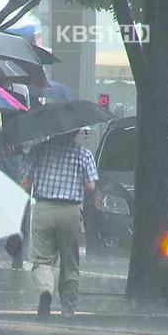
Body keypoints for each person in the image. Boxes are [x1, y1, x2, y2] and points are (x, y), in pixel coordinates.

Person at [21, 129, 98, 318]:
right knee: (70, 261)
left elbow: (26, 183)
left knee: (42, 261)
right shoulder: (83, 154)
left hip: (44, 209)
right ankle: (68, 307)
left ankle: (46, 290)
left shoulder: (38, 150)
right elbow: (90, 186)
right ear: (76, 132)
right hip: (70, 211)